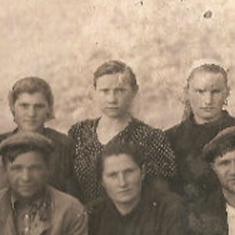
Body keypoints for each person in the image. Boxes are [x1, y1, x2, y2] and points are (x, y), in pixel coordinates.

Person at [165, 62, 235, 203]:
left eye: (215, 92)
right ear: (187, 92)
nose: (208, 100)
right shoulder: (170, 139)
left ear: (227, 92)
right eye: (200, 91)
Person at [68, 60, 175, 204]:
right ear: (94, 92)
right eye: (105, 91)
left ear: (134, 92)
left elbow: (159, 195)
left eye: (120, 91)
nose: (112, 99)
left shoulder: (151, 138)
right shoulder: (78, 133)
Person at [0, 76, 80, 197]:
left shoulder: (64, 145)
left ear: (48, 108)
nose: (31, 114)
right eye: (24, 106)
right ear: (13, 107)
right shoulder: (2, 143)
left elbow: (72, 197)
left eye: (39, 106)